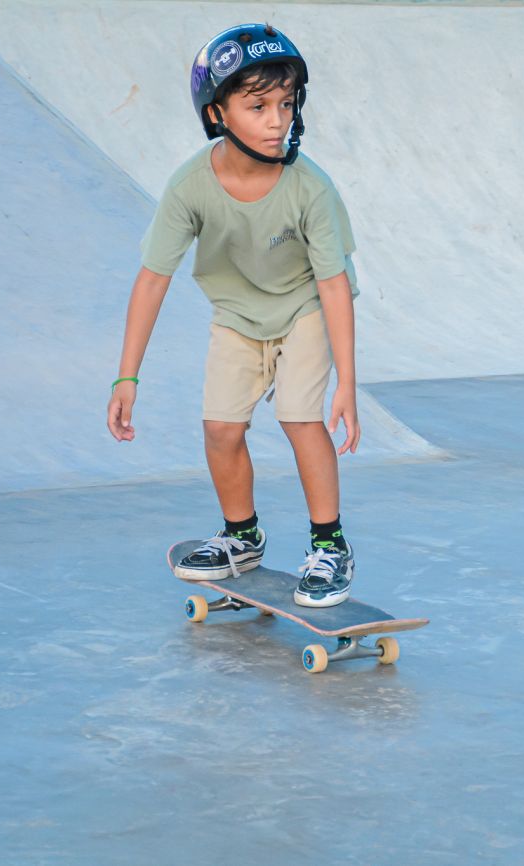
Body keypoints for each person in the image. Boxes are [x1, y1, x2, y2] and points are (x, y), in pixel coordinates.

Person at [106, 24, 362, 606]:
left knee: (300, 418)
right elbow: (152, 279)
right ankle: (242, 536)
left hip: (305, 307)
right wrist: (126, 376)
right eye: (258, 106)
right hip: (237, 316)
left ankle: (331, 545)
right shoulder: (190, 187)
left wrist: (347, 382)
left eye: (286, 104)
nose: (277, 121)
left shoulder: (311, 189)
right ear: (217, 115)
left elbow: (332, 285)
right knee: (221, 429)